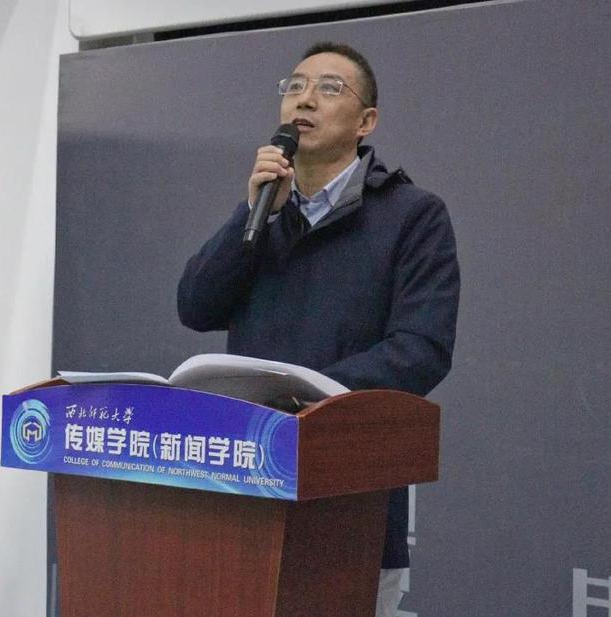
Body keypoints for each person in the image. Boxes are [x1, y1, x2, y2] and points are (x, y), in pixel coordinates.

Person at [177, 42, 460, 617]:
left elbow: (421, 348)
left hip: (351, 500)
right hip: (246, 494)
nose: (304, 99)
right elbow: (196, 306)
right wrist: (250, 213)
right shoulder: (264, 212)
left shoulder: (411, 216)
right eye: (295, 86)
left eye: (330, 88)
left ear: (365, 121)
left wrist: (306, 398)